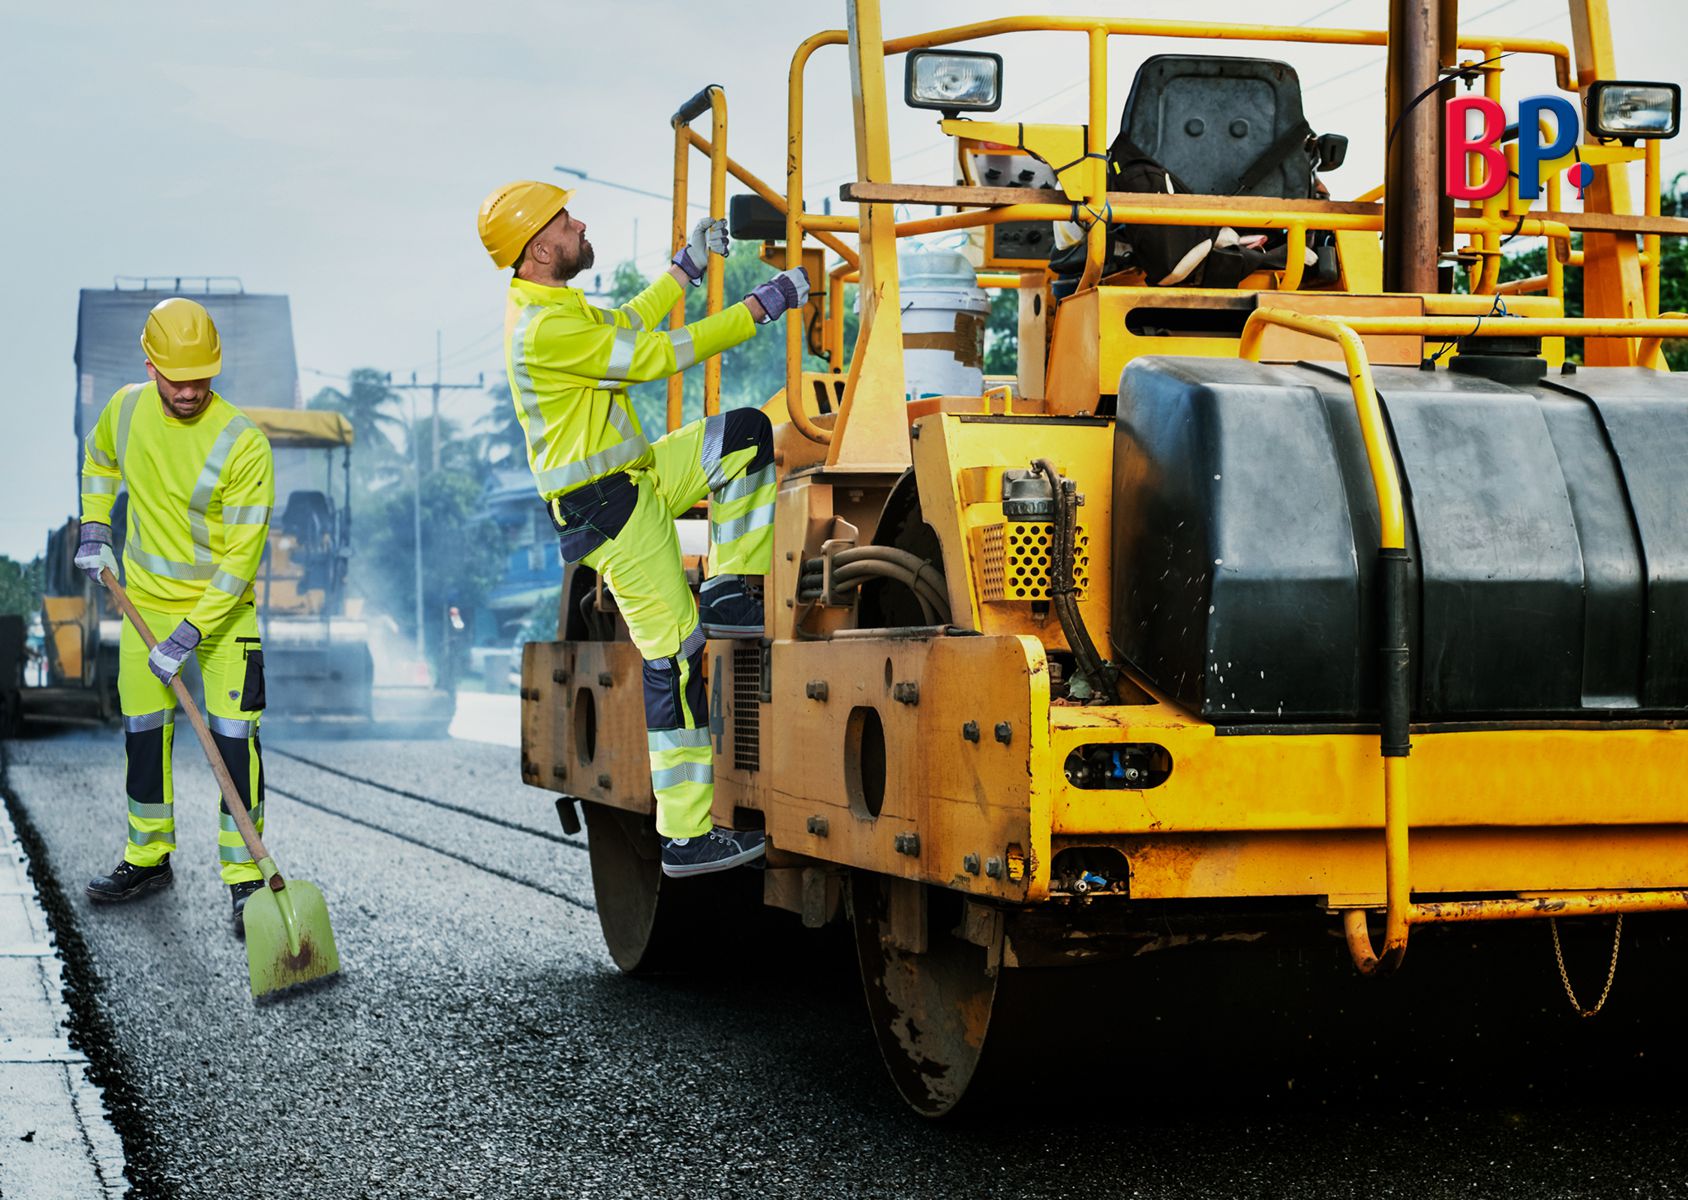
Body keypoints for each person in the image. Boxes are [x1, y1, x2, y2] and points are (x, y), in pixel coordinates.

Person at [477, 180, 809, 877]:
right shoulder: (545, 328)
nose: (581, 223)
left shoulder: (551, 305)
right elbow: (657, 357)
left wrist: (682, 269)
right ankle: (686, 837)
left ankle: (727, 586)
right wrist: (759, 307)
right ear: (542, 246)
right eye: (568, 221)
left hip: (638, 477)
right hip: (608, 508)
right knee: (675, 656)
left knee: (745, 437)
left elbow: (627, 329)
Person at [75, 298, 276, 933]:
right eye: (176, 377)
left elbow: (240, 561)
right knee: (141, 732)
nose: (189, 391)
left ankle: (247, 882)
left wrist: (190, 632)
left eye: (202, 378)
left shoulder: (243, 443)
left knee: (234, 741)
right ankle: (148, 857)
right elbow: (100, 459)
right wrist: (94, 524)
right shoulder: (126, 408)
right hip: (143, 608)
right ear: (150, 365)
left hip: (222, 617)